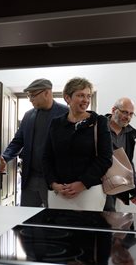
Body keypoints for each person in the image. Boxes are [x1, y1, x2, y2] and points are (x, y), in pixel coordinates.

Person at [43, 77, 112, 211]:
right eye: (80, 95)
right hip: (59, 192)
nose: (86, 100)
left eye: (88, 96)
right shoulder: (56, 124)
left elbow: (105, 158)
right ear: (67, 98)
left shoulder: (100, 122)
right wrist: (53, 184)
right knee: (58, 225)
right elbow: (47, 157)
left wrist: (82, 183)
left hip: (89, 191)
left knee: (87, 225)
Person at [2, 78, 68, 207]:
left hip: (55, 180)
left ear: (47, 93)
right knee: (27, 217)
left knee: (54, 217)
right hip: (30, 178)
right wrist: (4, 158)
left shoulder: (65, 113)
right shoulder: (28, 116)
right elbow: (17, 141)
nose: (30, 99)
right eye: (29, 96)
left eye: (33, 95)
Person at [104, 97, 136, 212]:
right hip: (96, 182)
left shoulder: (130, 133)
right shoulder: (99, 126)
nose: (128, 117)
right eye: (124, 112)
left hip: (115, 183)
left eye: (131, 114)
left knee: (110, 214)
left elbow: (127, 163)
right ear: (113, 110)